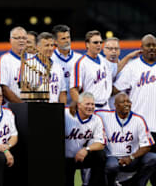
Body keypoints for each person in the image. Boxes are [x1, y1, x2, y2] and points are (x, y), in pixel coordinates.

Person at [112, 34, 156, 185]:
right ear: (141, 48)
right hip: (140, 127)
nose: (151, 48)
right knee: (142, 167)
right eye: (148, 45)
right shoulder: (132, 67)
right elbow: (114, 90)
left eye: (154, 45)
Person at [95, 92, 156, 186]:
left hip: (132, 159)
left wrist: (131, 157)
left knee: (152, 158)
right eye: (123, 102)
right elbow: (88, 111)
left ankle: (136, 183)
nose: (126, 104)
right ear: (115, 105)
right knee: (111, 166)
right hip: (113, 158)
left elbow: (147, 146)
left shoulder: (138, 120)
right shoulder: (105, 116)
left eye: (128, 101)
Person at [64, 92, 107, 186]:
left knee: (100, 155)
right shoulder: (66, 114)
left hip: (82, 157)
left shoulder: (96, 119)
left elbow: (101, 143)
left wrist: (86, 149)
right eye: (87, 104)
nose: (91, 107)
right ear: (79, 105)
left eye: (92, 104)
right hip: (65, 158)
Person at [70, 30, 113, 109]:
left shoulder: (103, 59)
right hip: (91, 107)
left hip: (106, 106)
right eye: (95, 42)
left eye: (100, 42)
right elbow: (73, 90)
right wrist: (81, 106)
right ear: (87, 44)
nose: (99, 45)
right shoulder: (81, 63)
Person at [23, 32, 66, 103]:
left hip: (55, 110)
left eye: (52, 45)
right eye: (47, 45)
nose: (50, 48)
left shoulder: (58, 67)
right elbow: (24, 93)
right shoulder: (27, 65)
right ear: (37, 47)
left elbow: (62, 92)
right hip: (36, 109)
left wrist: (61, 109)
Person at [0, 26, 27, 104]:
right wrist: (22, 105)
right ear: (11, 40)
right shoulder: (4, 60)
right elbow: (3, 88)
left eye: (24, 38)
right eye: (18, 38)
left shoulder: (33, 58)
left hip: (33, 106)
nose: (21, 41)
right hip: (12, 106)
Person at [51, 24, 82, 105]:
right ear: (55, 41)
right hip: (56, 105)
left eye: (68, 37)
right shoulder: (50, 59)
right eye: (63, 38)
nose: (67, 40)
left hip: (77, 105)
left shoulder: (80, 59)